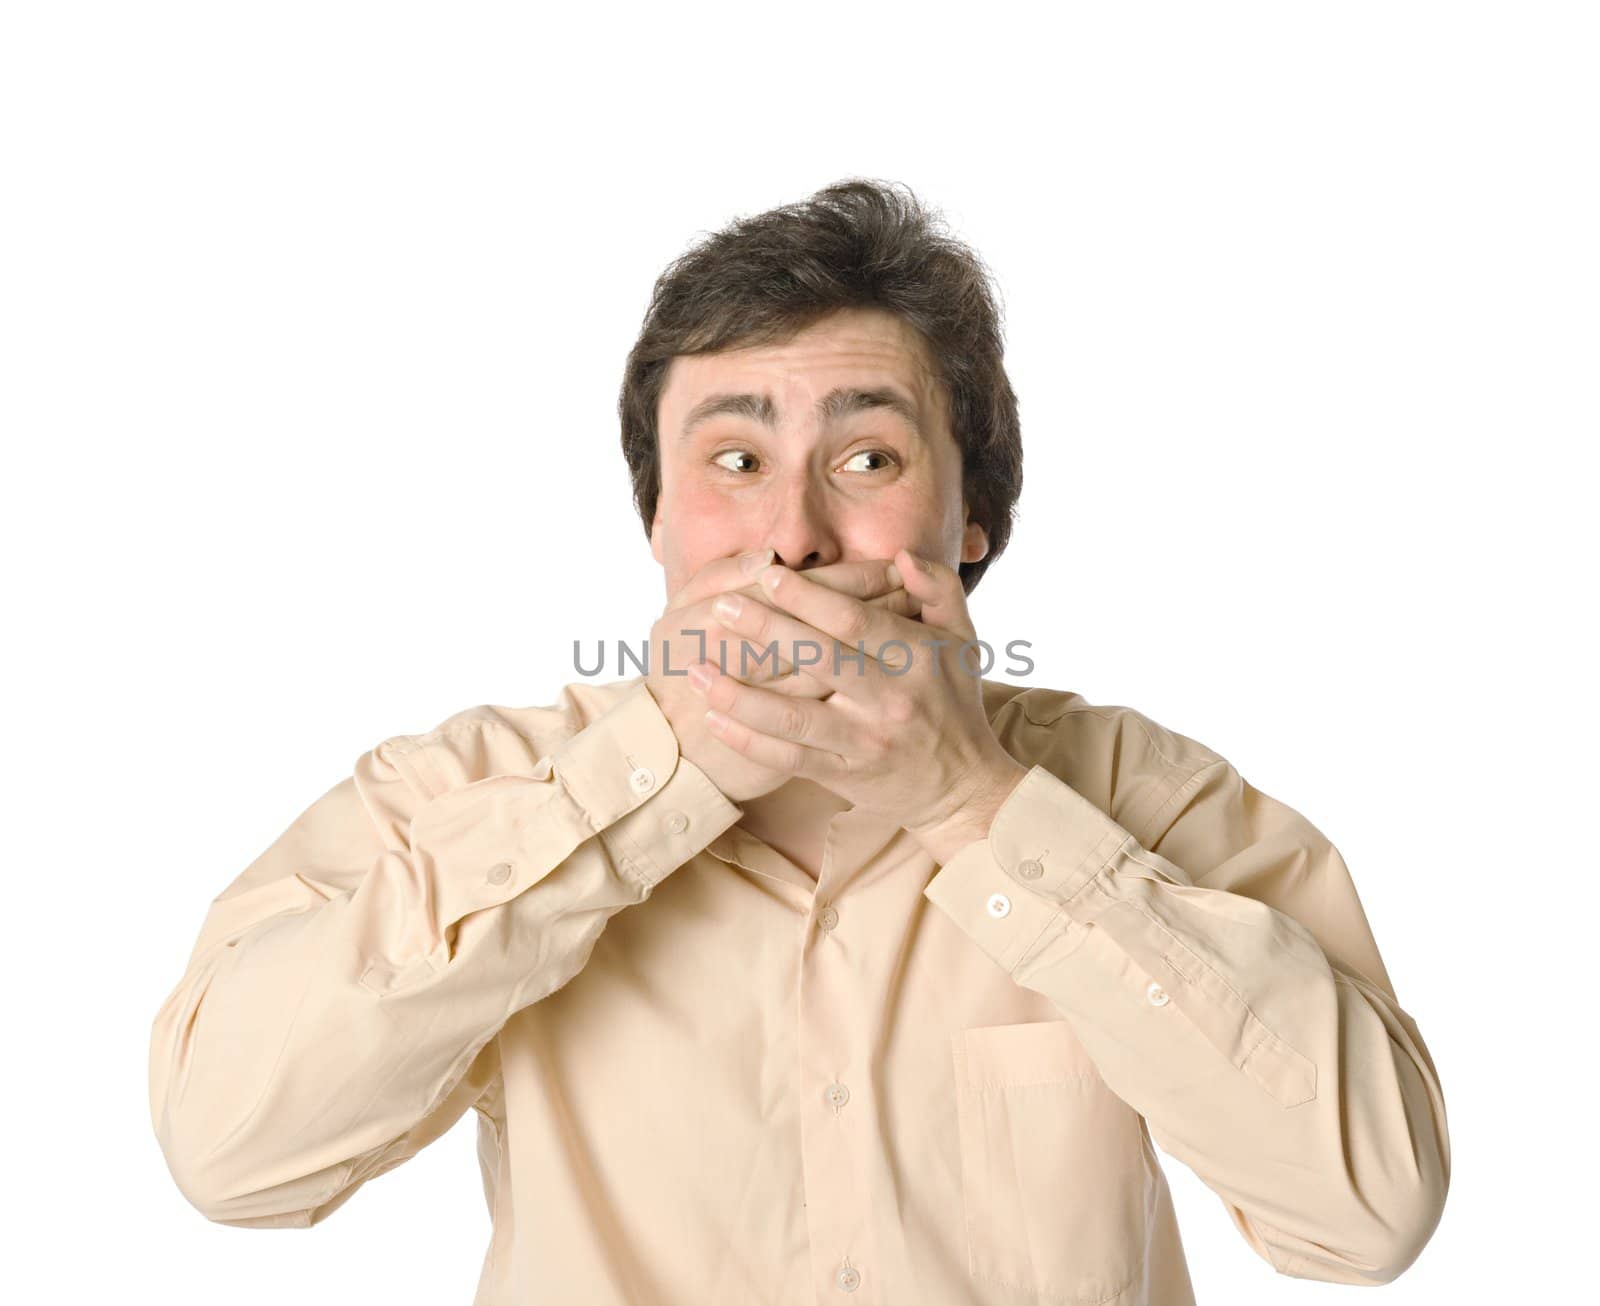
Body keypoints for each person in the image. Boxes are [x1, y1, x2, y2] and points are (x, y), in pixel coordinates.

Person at [149, 178, 1450, 1304]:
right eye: (733, 457)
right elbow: (230, 1154)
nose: (793, 536)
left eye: (870, 459)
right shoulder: (466, 792)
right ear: (658, 520)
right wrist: (655, 775)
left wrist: (971, 804)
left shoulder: (1150, 798)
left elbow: (1371, 1212)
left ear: (973, 520)